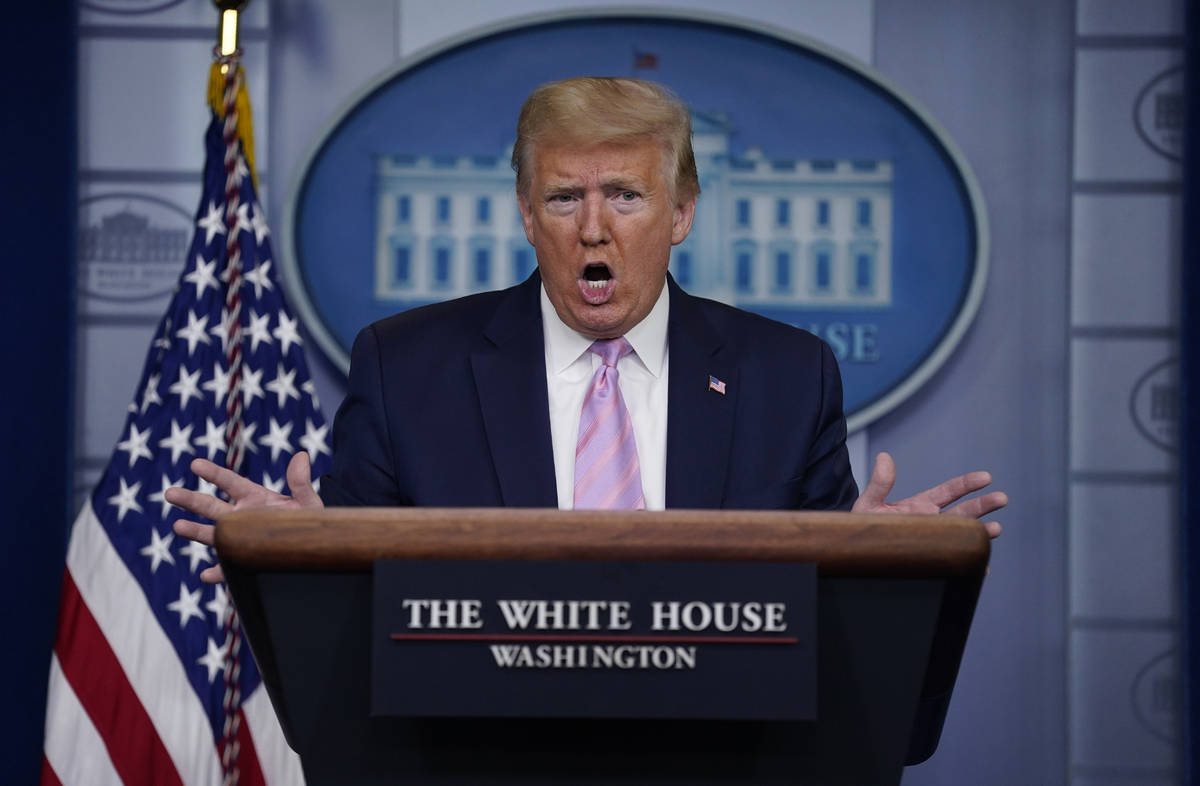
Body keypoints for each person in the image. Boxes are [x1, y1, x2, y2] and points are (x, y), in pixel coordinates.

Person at [169, 77, 1006, 584]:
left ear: (681, 213)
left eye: (627, 196)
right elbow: (360, 584)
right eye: (566, 198)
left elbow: (821, 597)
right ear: (528, 216)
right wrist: (300, 552)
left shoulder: (787, 374)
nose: (593, 228)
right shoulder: (407, 367)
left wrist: (877, 563)